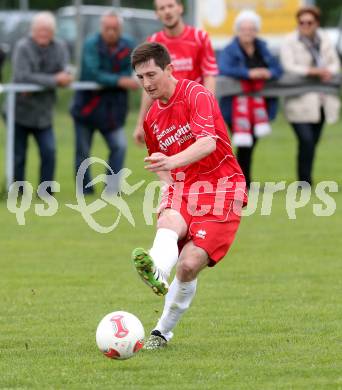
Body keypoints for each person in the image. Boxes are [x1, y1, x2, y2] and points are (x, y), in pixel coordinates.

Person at [130, 42, 247, 350]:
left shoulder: (197, 95)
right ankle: (155, 268)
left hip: (223, 188)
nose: (147, 83)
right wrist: (167, 183)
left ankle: (161, 333)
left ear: (170, 69)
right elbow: (159, 163)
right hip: (184, 186)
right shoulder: (152, 119)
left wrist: (172, 161)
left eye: (151, 74)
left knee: (189, 265)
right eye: (140, 78)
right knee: (169, 218)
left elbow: (207, 142)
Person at [71, 11, 139, 195]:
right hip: (87, 107)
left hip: (113, 111)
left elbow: (131, 70)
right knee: (83, 152)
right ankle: (85, 191)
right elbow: (93, 73)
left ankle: (111, 189)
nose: (110, 32)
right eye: (107, 28)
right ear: (102, 28)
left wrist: (114, 80)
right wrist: (119, 81)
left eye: (114, 29)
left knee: (119, 146)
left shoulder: (129, 45)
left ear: (120, 29)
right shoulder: (90, 44)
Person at [133, 0, 218, 145]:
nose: (167, 11)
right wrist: (141, 123)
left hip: (194, 110)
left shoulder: (199, 38)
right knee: (169, 164)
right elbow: (148, 85)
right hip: (166, 115)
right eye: (162, 8)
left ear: (180, 8)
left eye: (171, 6)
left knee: (201, 159)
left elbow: (209, 76)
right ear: (157, 14)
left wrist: (206, 110)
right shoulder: (153, 43)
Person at [218, 10, 282, 188]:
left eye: (251, 29)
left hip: (260, 105)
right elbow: (223, 68)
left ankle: (244, 181)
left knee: (251, 144)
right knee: (243, 144)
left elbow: (278, 69)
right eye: (244, 29)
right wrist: (248, 73)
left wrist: (267, 73)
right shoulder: (229, 50)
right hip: (235, 106)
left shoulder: (263, 48)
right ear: (237, 30)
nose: (248, 32)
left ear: (256, 30)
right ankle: (242, 182)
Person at [12, 11, 72, 192]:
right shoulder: (23, 47)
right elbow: (22, 76)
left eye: (47, 30)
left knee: (49, 152)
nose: (43, 34)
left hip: (44, 112)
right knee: (18, 156)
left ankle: (45, 192)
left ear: (53, 32)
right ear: (33, 30)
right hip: (19, 111)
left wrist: (63, 77)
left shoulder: (60, 47)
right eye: (39, 30)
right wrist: (54, 80)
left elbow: (65, 73)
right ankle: (18, 191)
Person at [280, 6, 340, 185]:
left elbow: (334, 63)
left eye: (309, 22)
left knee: (312, 142)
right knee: (305, 140)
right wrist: (312, 71)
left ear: (316, 23)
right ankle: (304, 180)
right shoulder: (289, 41)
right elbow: (289, 66)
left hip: (322, 101)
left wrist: (327, 71)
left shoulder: (324, 39)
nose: (305, 25)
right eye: (301, 22)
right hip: (298, 101)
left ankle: (306, 179)